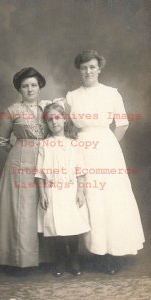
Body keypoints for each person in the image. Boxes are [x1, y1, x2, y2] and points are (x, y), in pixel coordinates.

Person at [65, 50, 145, 274]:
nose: (88, 71)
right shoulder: (71, 96)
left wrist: (108, 146)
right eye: (83, 67)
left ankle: (109, 254)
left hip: (107, 149)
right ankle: (80, 255)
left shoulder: (112, 94)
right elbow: (68, 127)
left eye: (92, 67)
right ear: (79, 70)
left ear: (100, 68)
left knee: (109, 199)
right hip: (81, 150)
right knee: (85, 198)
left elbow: (122, 124)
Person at [0, 67, 49, 267]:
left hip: (46, 161)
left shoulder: (46, 108)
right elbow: (2, 140)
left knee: (45, 207)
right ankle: (20, 260)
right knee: (21, 209)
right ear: (19, 89)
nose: (30, 89)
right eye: (25, 86)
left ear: (40, 87)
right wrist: (20, 154)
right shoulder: (11, 111)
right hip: (20, 163)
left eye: (34, 85)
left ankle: (48, 259)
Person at [35, 103, 90, 276]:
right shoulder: (44, 144)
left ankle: (74, 259)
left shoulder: (74, 144)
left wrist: (80, 191)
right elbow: (39, 173)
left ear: (64, 119)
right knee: (56, 227)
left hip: (70, 190)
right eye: (50, 119)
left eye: (57, 118)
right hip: (52, 191)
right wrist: (42, 193)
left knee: (72, 225)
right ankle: (60, 260)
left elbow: (81, 171)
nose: (54, 122)